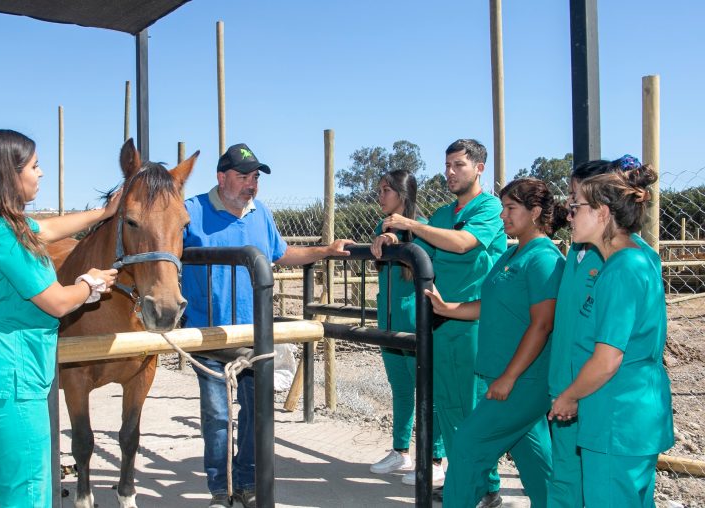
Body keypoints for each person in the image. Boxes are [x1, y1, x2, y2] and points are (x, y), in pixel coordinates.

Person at [0, 129, 119, 507]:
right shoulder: (8, 235)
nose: (40, 173)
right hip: (14, 383)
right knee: (27, 495)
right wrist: (90, 283)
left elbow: (53, 228)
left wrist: (105, 212)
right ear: (8, 174)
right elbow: (57, 302)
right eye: (35, 165)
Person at [181, 143, 352, 508]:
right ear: (221, 177)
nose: (251, 185)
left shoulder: (261, 214)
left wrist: (324, 250)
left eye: (255, 177)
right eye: (243, 177)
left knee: (258, 414)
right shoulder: (190, 211)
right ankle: (219, 490)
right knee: (217, 417)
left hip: (256, 334)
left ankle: (246, 483)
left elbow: (281, 253)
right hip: (207, 335)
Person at [378, 139, 506, 507]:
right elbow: (425, 251)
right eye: (447, 165)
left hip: (473, 322)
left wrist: (409, 225)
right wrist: (393, 238)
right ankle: (463, 480)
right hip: (441, 321)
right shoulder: (442, 214)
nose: (450, 172)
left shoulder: (489, 208)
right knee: (448, 407)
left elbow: (464, 243)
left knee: (472, 408)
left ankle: (488, 487)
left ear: (479, 168)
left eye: (459, 165)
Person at [425, 178, 567, 508]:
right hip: (503, 375)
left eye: (510, 209)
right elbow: (489, 303)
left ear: (534, 212)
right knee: (535, 461)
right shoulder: (512, 253)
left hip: (522, 380)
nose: (503, 215)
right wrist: (448, 309)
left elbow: (543, 324)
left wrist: (509, 377)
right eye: (502, 208)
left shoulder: (544, 258)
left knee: (467, 445)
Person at [549, 161, 673, 507]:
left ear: (603, 213)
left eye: (576, 207)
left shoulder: (621, 270)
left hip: (615, 419)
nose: (569, 216)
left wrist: (569, 396)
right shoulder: (637, 259)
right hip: (633, 417)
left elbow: (607, 358)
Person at [368, 170, 446, 486]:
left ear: (404, 193)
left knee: (429, 390)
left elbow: (421, 257)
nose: (380, 195)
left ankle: (435, 458)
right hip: (387, 319)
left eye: (387, 189)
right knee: (401, 389)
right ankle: (401, 451)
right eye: (380, 189)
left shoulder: (424, 227)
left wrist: (394, 239)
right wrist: (384, 236)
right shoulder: (381, 223)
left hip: (415, 320)